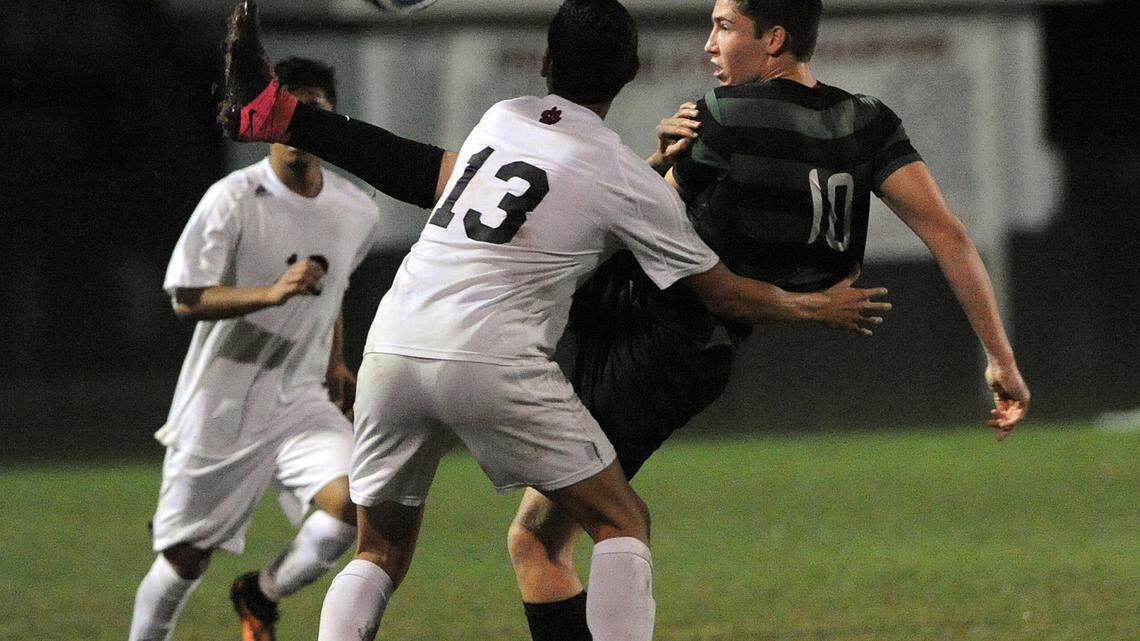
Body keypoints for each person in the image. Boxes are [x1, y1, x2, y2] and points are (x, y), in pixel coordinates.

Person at [218, 2, 890, 640]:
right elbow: (725, 296)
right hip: (492, 357)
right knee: (621, 518)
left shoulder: (501, 120)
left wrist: (291, 119)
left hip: (394, 342)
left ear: (544, 62)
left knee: (381, 547)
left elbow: (419, 169)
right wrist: (814, 306)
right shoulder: (622, 175)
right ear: (629, 73)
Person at [507, 2, 1032, 640]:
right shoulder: (864, 120)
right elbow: (950, 236)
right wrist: (1000, 360)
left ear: (775, 39)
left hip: (643, 326)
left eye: (725, 27)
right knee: (544, 534)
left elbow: (628, 220)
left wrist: (660, 159)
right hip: (702, 351)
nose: (709, 45)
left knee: (554, 534)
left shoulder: (723, 117)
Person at [129, 57, 385, 641]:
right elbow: (186, 298)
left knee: (353, 505)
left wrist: (335, 361)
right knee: (183, 560)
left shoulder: (357, 210)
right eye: (286, 109)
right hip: (220, 406)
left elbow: (332, 289)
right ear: (268, 119)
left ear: (331, 119)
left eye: (311, 110)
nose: (297, 122)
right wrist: (268, 294)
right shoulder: (232, 198)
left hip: (298, 402)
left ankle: (260, 593)